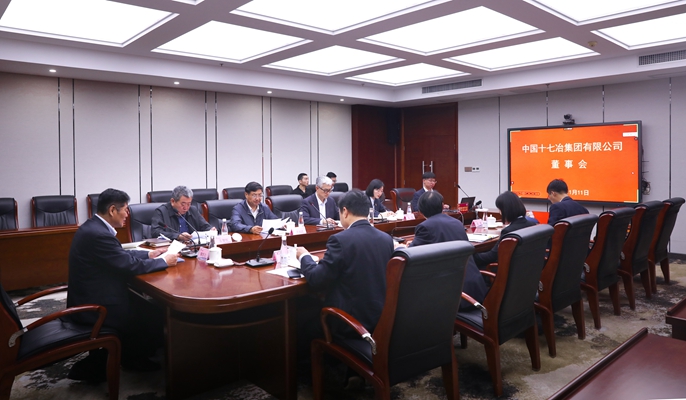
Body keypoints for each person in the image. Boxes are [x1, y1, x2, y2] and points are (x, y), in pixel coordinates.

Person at [65, 188, 179, 381]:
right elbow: (129, 265)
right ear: (112, 210)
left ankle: (132, 352)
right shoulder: (99, 235)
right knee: (153, 313)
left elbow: (118, 255)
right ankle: (132, 359)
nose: (128, 214)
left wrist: (149, 254)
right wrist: (163, 261)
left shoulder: (94, 227)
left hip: (91, 293)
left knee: (146, 304)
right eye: (125, 209)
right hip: (95, 305)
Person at [296, 190, 394, 341]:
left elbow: (316, 279)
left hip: (350, 322)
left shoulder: (340, 240)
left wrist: (304, 256)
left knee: (303, 326)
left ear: (345, 211)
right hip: (380, 317)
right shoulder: (386, 238)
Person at [406, 191, 488, 310]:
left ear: (421, 211)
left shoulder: (425, 227)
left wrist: (401, 247)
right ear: (442, 206)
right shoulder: (457, 223)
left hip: (454, 296)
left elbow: (411, 255)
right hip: (476, 289)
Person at [473, 191, 537, 268]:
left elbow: (492, 256)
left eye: (500, 209)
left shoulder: (509, 231)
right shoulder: (532, 225)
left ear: (506, 210)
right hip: (526, 269)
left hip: (504, 271)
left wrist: (470, 256)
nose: (500, 213)